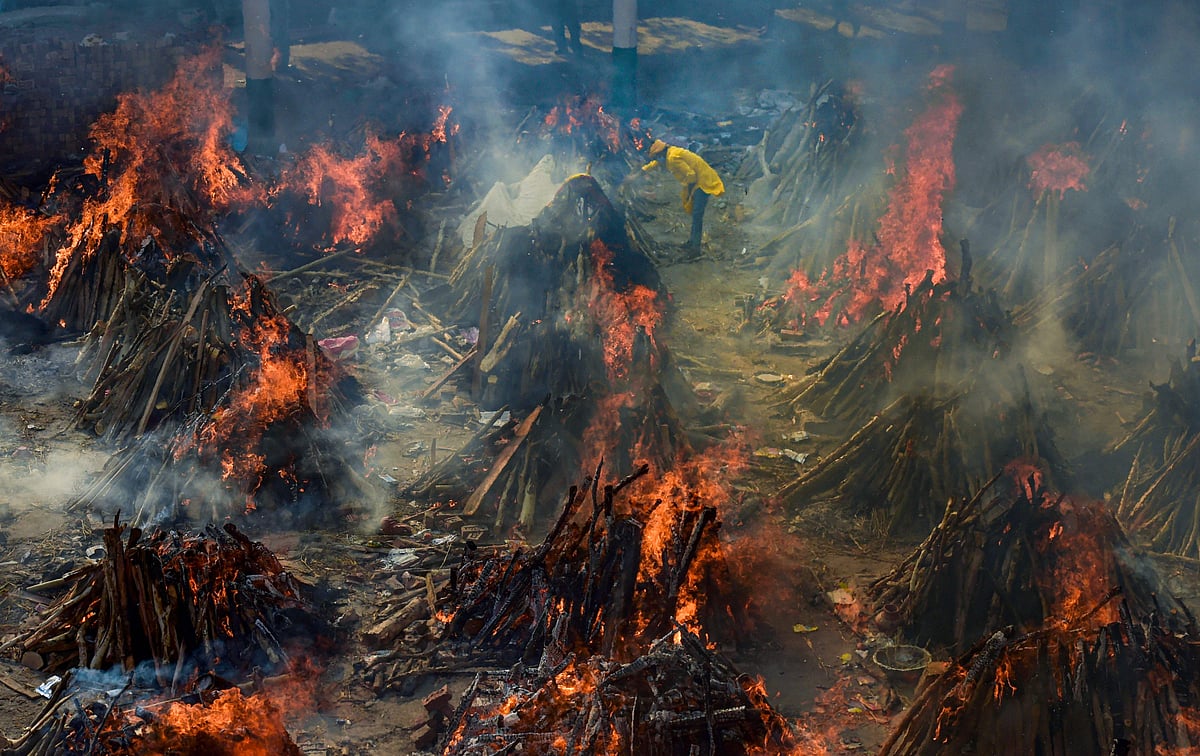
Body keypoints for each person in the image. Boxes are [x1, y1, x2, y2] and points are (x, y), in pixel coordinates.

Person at [642, 139, 725, 255]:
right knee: (695, 214)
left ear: (661, 153)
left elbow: (691, 176)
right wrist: (642, 171)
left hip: (703, 182)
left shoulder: (672, 158)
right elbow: (656, 163)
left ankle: (695, 248)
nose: (657, 159)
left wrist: (689, 191)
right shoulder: (670, 152)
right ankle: (692, 242)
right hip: (699, 180)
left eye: (657, 156)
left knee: (697, 214)